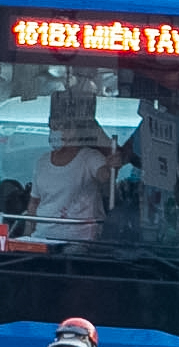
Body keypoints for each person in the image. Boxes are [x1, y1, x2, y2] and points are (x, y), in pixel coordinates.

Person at [25, 102, 118, 242]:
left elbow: (104, 176)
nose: (53, 132)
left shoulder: (89, 157)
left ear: (73, 131)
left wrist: (112, 165)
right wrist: (27, 237)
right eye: (51, 127)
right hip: (42, 238)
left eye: (59, 127)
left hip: (79, 241)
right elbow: (34, 203)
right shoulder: (42, 162)